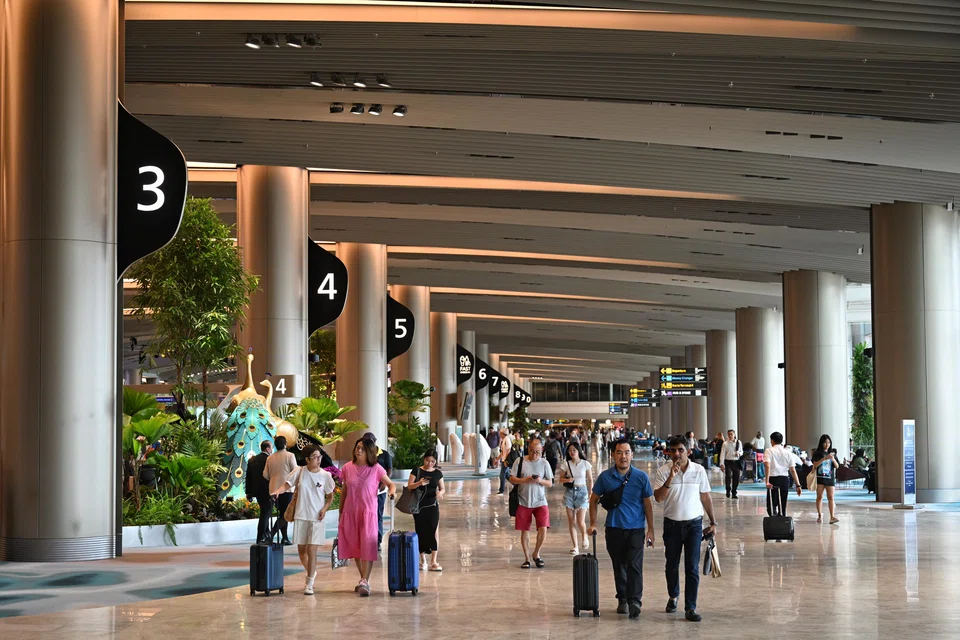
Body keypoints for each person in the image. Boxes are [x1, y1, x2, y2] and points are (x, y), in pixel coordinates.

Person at [587, 439, 655, 619]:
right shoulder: (605, 477)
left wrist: (651, 530)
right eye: (619, 452)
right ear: (613, 455)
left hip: (636, 529)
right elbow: (593, 499)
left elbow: (648, 505)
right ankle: (622, 599)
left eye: (626, 452)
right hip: (614, 528)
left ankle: (635, 601)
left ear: (632, 455)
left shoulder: (641, 477)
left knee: (634, 565)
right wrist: (593, 523)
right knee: (620, 566)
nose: (623, 456)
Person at [653, 436, 717, 623]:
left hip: (694, 526)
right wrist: (671, 477)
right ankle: (673, 596)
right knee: (671, 565)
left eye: (680, 450)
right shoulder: (663, 471)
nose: (676, 454)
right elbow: (658, 498)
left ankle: (690, 606)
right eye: (673, 450)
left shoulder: (699, 471)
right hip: (672, 525)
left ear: (688, 451)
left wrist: (713, 522)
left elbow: (705, 497)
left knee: (692, 567)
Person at [271, 445, 336, 595]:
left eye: (319, 457)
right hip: (301, 515)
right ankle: (312, 572)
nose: (318, 460)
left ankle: (309, 583)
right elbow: (286, 486)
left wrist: (325, 509)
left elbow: (330, 496)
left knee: (312, 550)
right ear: (307, 459)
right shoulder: (299, 472)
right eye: (315, 457)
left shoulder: (325, 476)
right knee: (302, 551)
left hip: (316, 518)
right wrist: (277, 492)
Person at [338, 437, 397, 596]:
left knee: (368, 546)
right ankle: (363, 579)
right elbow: (344, 491)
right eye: (357, 447)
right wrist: (341, 512)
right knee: (355, 547)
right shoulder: (348, 468)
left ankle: (365, 580)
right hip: (351, 512)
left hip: (368, 512)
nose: (359, 450)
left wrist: (391, 492)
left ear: (369, 451)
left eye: (362, 448)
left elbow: (391, 484)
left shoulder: (377, 468)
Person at [509, 437, 554, 569]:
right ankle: (527, 558)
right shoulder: (520, 461)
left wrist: (540, 481)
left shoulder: (545, 463)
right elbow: (512, 478)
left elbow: (550, 483)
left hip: (540, 501)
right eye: (533, 451)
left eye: (538, 452)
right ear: (528, 449)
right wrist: (525, 480)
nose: (535, 454)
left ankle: (536, 553)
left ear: (542, 451)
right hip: (523, 500)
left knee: (543, 528)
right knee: (524, 531)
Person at [408, 449, 445, 572]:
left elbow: (442, 488)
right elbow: (409, 486)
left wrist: (440, 493)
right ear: (424, 459)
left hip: (432, 504)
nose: (430, 464)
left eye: (433, 461)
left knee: (434, 530)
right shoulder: (417, 470)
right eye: (428, 461)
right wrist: (419, 483)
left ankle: (434, 561)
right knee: (421, 531)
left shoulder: (438, 473)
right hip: (419, 505)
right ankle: (422, 559)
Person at [555, 441, 594, 555]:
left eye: (574, 450)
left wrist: (590, 493)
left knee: (580, 521)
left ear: (578, 451)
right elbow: (560, 479)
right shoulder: (566, 464)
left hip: (582, 492)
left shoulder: (585, 463)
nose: (572, 452)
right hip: (569, 493)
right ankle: (575, 546)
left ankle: (584, 536)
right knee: (571, 521)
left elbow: (590, 479)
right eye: (570, 450)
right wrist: (568, 480)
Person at [264, 436, 297, 545]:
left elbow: (265, 475)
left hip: (273, 489)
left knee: (283, 514)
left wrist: (274, 479)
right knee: (285, 515)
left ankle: (285, 538)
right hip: (286, 489)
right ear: (285, 444)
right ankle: (271, 534)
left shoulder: (270, 458)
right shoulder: (290, 455)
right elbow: (295, 472)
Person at [764, 432, 802, 517]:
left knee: (771, 504)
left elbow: (767, 465)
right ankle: (782, 521)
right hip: (784, 479)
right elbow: (792, 470)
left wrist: (767, 481)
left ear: (772, 440)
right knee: (782, 504)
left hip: (773, 478)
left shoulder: (768, 451)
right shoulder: (788, 453)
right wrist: (798, 485)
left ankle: (774, 521)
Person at [245, 440, 273, 543]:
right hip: (268, 490)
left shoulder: (252, 460)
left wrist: (248, 492)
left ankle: (266, 534)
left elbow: (248, 477)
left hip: (257, 491)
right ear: (267, 449)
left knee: (265, 511)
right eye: (271, 447)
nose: (272, 450)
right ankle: (260, 536)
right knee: (265, 513)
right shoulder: (269, 459)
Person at [368, 434, 393, 547]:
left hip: (380, 491)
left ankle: (377, 541)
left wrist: (384, 483)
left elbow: (389, 470)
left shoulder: (384, 454)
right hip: (367, 491)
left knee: (378, 514)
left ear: (375, 441)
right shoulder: (364, 455)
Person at [812, 434, 840, 524]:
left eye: (828, 442)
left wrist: (833, 459)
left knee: (831, 497)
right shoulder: (817, 453)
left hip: (830, 478)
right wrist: (824, 458)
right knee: (819, 497)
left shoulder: (832, 453)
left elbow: (837, 466)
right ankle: (820, 515)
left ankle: (832, 516)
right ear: (821, 443)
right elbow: (815, 464)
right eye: (825, 442)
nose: (827, 444)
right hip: (820, 478)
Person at [719, 430, 743, 500]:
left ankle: (734, 492)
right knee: (728, 476)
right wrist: (721, 464)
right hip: (728, 462)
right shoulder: (725, 444)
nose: (730, 436)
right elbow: (722, 454)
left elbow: (741, 451)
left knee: (736, 478)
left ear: (734, 434)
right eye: (729, 434)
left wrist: (739, 453)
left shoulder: (738, 442)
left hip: (736, 462)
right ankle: (728, 490)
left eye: (731, 434)